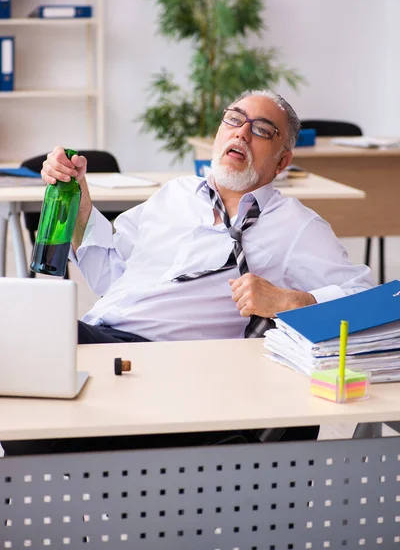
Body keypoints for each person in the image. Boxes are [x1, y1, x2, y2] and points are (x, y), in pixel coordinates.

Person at [2, 90, 374, 455]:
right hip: (102, 340)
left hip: (171, 365)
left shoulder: (297, 226)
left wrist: (291, 300)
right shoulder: (174, 195)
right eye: (233, 119)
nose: (241, 133)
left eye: (261, 130)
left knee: (22, 388)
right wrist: (81, 202)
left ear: (282, 162)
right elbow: (110, 278)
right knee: (18, 368)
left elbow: (372, 302)